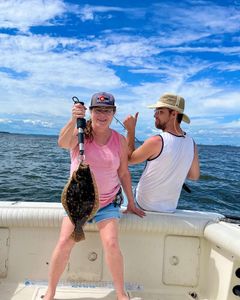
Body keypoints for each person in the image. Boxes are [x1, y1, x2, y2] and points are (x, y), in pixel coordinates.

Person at [43, 92, 144, 300]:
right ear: (90, 112)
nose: (102, 115)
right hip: (78, 202)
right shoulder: (80, 134)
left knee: (112, 244)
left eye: (107, 110)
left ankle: (121, 294)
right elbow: (62, 143)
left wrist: (131, 202)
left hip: (107, 204)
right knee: (64, 243)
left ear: (113, 113)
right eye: (98, 110)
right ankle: (50, 292)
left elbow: (123, 172)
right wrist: (73, 119)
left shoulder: (120, 140)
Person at [123, 92, 200, 213]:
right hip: (169, 209)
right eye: (155, 111)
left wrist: (130, 130)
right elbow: (194, 176)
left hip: (142, 205)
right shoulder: (192, 143)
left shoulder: (157, 141)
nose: (155, 115)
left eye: (160, 112)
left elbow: (128, 160)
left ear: (174, 114)